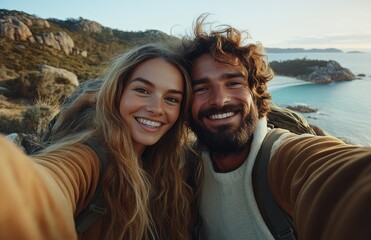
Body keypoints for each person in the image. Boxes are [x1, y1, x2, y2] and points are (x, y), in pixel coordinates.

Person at [182, 15, 371, 240]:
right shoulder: (187, 170)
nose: (220, 100)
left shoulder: (284, 157)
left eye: (233, 83)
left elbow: (343, 177)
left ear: (256, 93)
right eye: (201, 89)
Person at [0, 43, 197, 240]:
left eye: (171, 99)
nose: (156, 108)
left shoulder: (174, 169)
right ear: (116, 94)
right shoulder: (86, 157)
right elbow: (41, 186)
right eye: (142, 90)